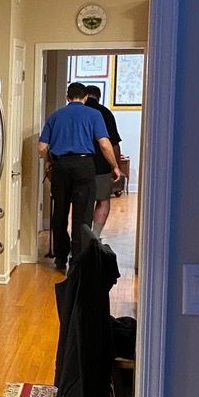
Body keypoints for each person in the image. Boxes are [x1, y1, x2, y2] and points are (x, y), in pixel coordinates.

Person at [39, 82, 122, 272]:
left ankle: (61, 257)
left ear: (67, 97)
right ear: (85, 98)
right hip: (84, 165)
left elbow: (42, 147)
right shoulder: (94, 115)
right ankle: (77, 259)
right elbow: (104, 144)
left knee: (60, 211)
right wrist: (114, 166)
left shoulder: (55, 116)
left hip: (60, 166)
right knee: (82, 214)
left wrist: (49, 161)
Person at [83, 83, 122, 236]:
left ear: (85, 95)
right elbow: (113, 143)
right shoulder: (105, 113)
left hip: (81, 162)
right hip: (102, 164)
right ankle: (96, 236)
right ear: (99, 97)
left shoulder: (78, 113)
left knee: (83, 203)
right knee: (103, 200)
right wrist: (116, 166)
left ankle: (81, 238)